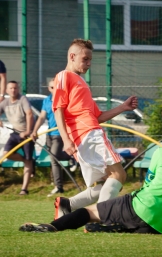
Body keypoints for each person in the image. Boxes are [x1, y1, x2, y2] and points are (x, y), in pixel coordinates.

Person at [19, 120, 162, 234]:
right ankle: (110, 226)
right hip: (161, 226)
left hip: (140, 208)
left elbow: (149, 184)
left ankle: (50, 227)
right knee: (133, 222)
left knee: (89, 212)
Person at [51, 38, 138, 219]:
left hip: (87, 134)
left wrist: (123, 107)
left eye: (90, 60)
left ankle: (68, 205)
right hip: (89, 134)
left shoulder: (81, 82)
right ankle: (101, 218)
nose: (89, 63)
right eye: (85, 59)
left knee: (107, 181)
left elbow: (97, 117)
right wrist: (65, 139)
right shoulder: (64, 76)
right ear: (72, 56)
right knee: (119, 175)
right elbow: (57, 108)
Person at [30, 78, 77, 197]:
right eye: (52, 87)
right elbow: (41, 117)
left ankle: (59, 186)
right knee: (54, 158)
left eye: (56, 87)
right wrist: (34, 131)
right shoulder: (47, 100)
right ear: (49, 89)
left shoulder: (64, 99)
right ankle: (73, 156)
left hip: (59, 134)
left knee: (53, 158)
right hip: (49, 134)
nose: (54, 89)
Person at [0, 81, 35, 195]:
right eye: (10, 88)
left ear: (18, 89)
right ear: (6, 90)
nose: (13, 90)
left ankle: (24, 189)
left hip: (27, 134)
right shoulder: (5, 102)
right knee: (6, 154)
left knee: (28, 160)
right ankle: (28, 162)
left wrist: (28, 131)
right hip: (15, 133)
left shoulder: (22, 99)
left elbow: (29, 114)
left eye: (15, 88)